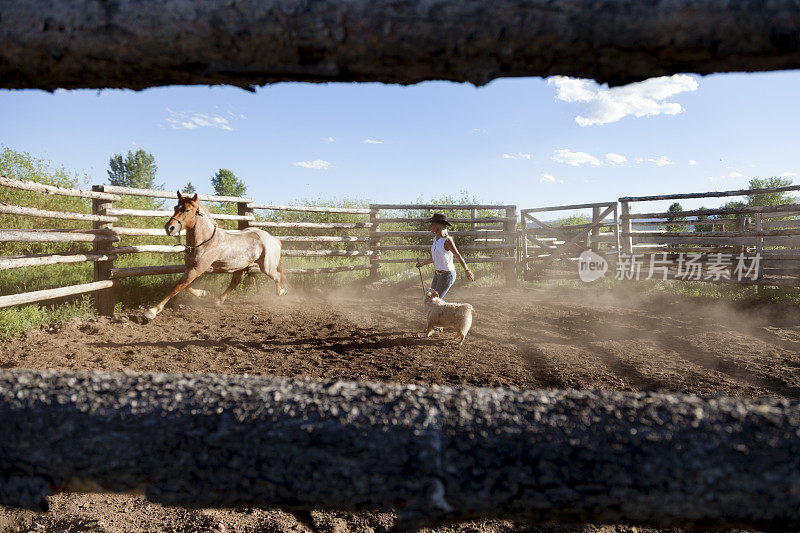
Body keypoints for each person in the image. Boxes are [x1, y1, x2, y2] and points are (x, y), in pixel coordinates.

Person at [416, 213, 474, 299]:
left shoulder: (447, 240)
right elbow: (435, 257)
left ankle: (452, 311)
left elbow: (457, 255)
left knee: (435, 300)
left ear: (439, 225)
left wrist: (467, 270)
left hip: (447, 275)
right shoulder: (435, 239)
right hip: (437, 274)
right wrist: (423, 263)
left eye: (433, 224)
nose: (430, 225)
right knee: (431, 299)